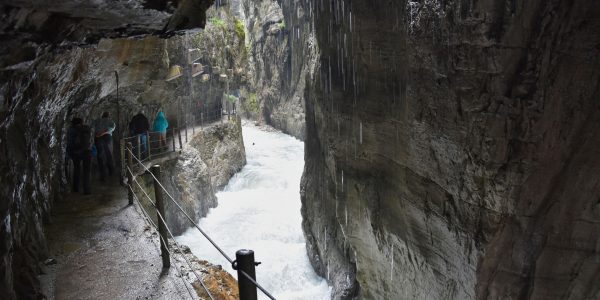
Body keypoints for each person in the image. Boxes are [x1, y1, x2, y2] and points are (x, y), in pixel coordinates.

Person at [66, 118, 93, 194]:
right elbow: (90, 140)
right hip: (87, 151)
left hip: (75, 152)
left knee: (77, 170)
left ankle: (76, 188)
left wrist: (70, 153)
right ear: (81, 122)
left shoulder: (71, 130)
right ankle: (87, 190)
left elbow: (69, 142)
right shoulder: (87, 128)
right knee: (87, 171)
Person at [93, 111, 116, 181]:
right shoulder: (110, 121)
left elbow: (93, 127)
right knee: (109, 154)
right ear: (108, 116)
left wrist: (99, 134)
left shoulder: (97, 121)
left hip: (98, 138)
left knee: (100, 155)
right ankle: (111, 172)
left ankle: (102, 174)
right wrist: (103, 132)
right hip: (107, 137)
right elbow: (112, 128)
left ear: (102, 116)